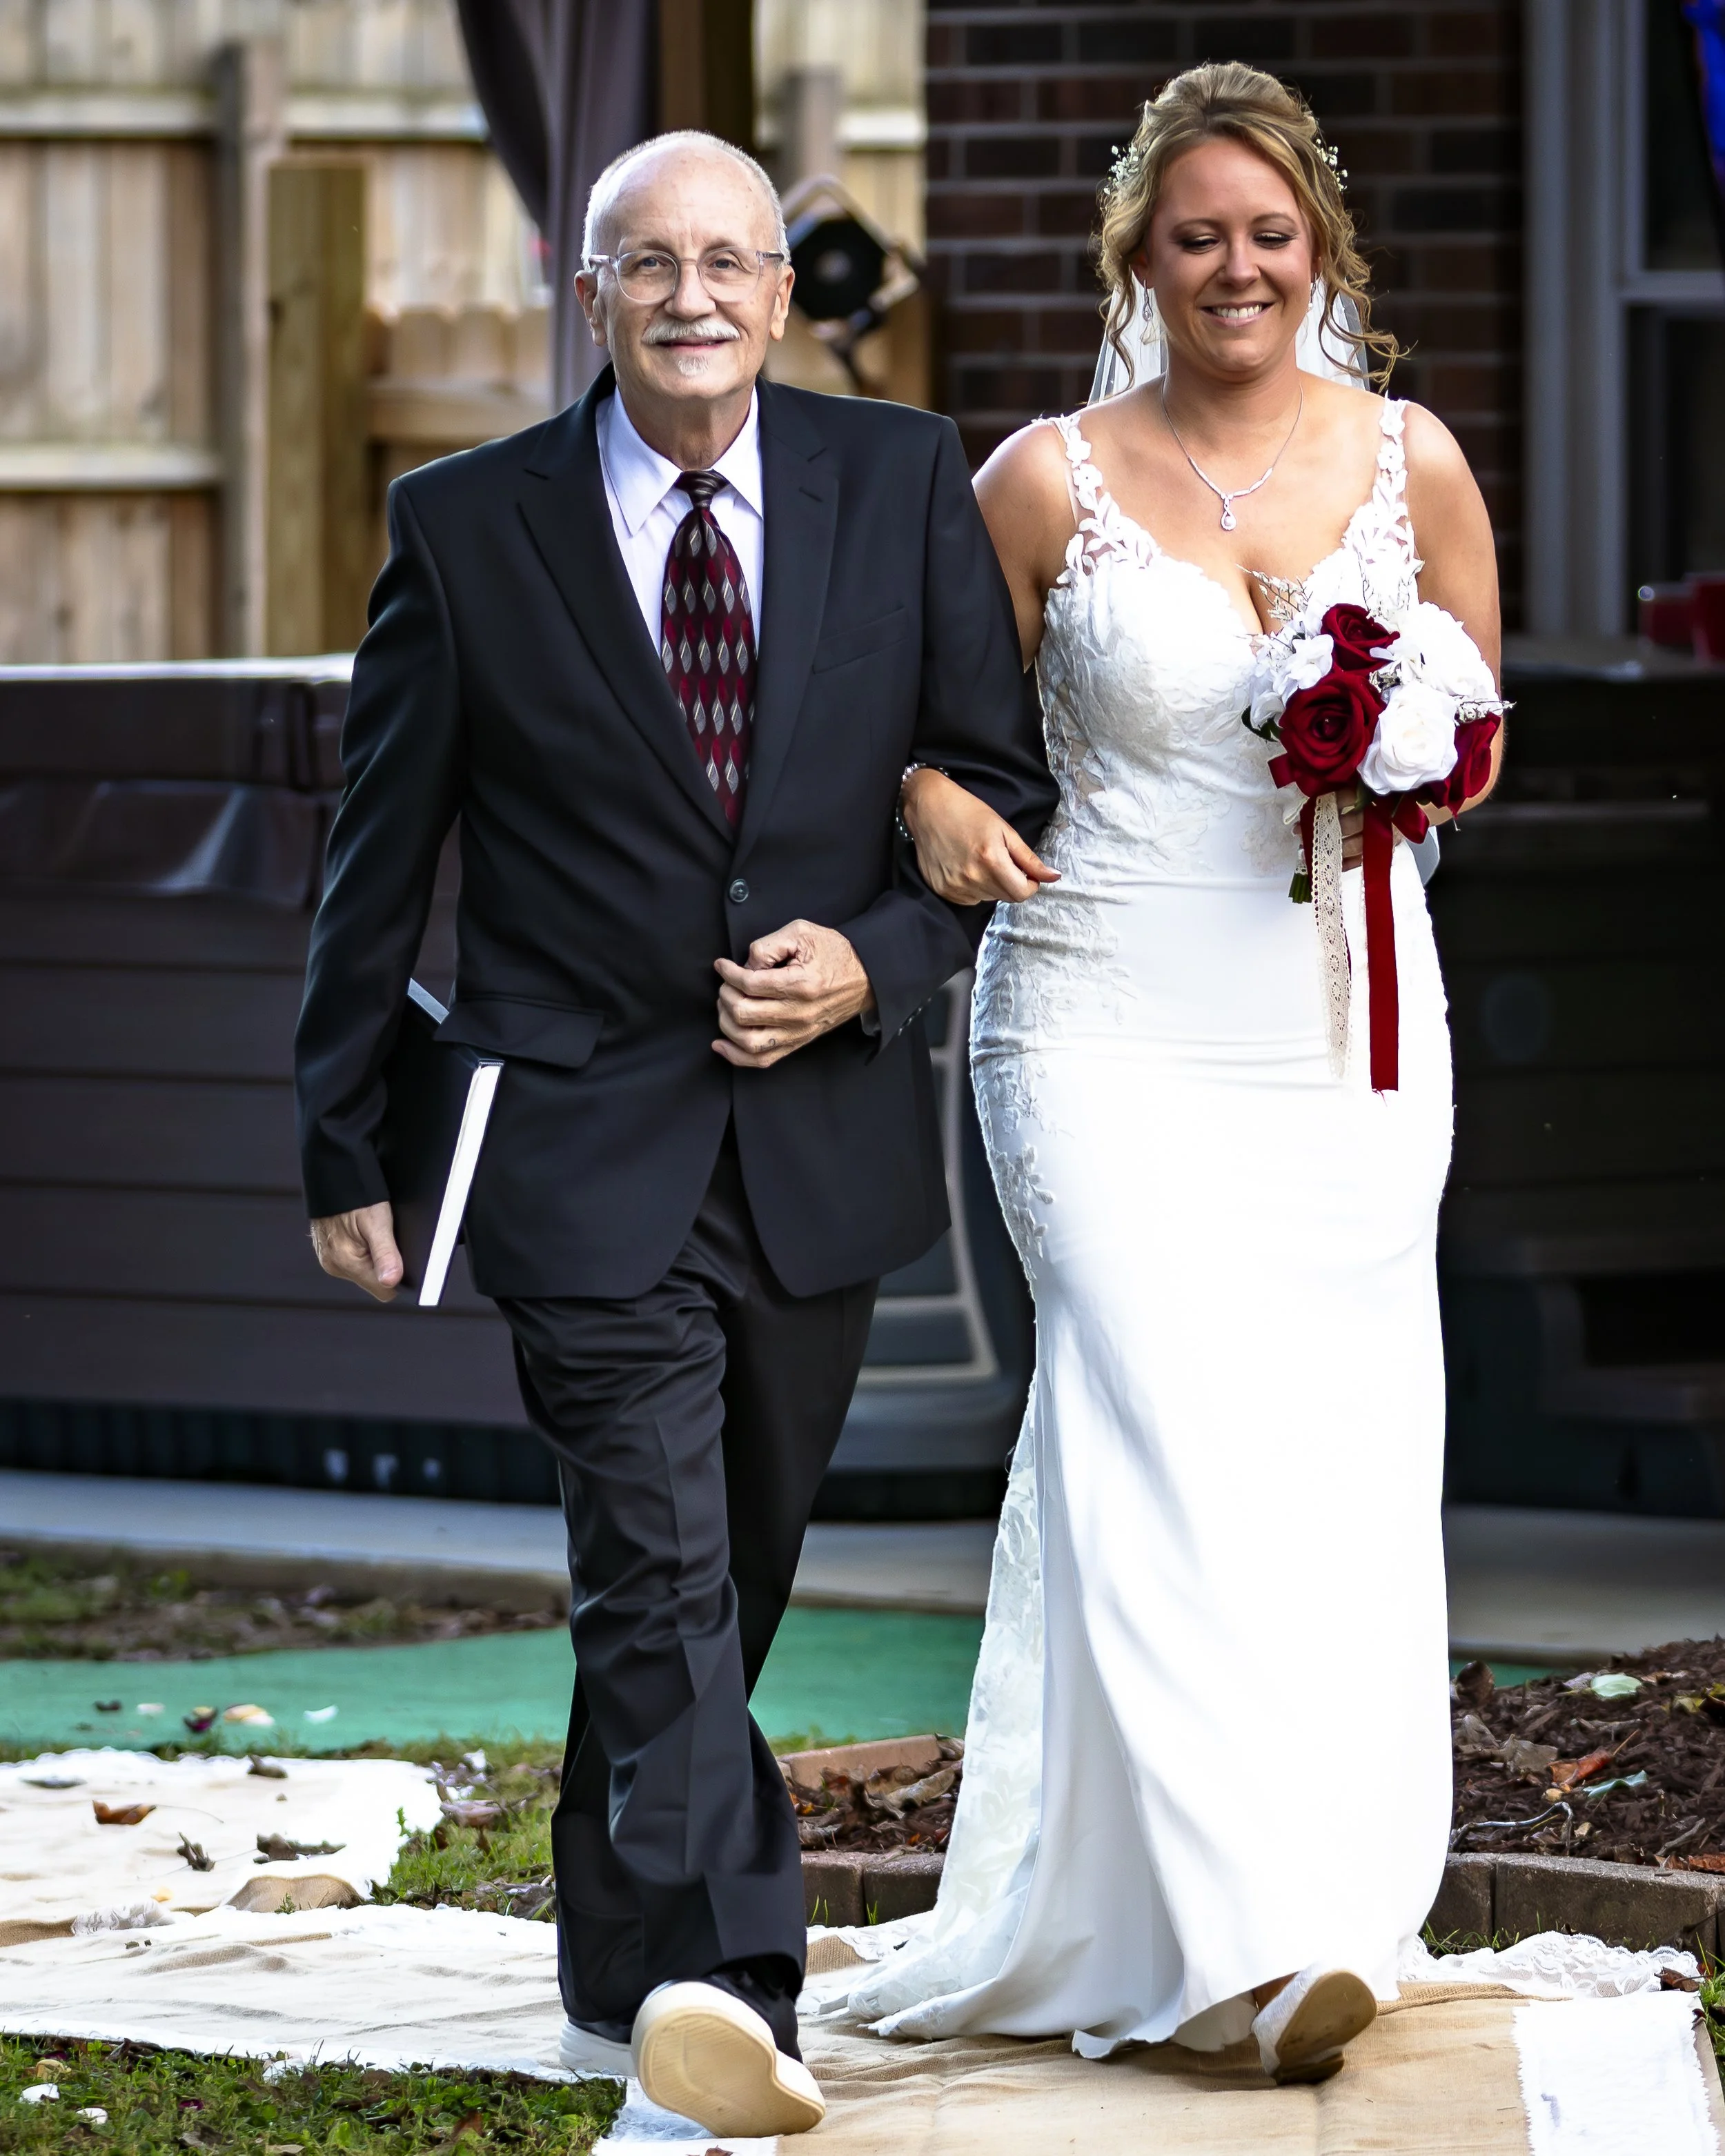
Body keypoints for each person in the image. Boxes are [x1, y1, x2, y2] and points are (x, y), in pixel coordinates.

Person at [293, 131, 1054, 2137]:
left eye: (731, 261)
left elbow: (992, 789)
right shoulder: (465, 528)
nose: (695, 295)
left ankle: (608, 1952)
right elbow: (378, 865)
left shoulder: (897, 485)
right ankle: (732, 1994)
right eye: (653, 264)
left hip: (814, 1142)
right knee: (654, 1575)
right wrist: (336, 1138)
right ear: (592, 294)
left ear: (781, 295)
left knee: (725, 1578)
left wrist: (873, 964)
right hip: (575, 1140)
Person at [837, 63, 1503, 2083]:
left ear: (1321, 252)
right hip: (1099, 1020)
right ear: (1139, 251)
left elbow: (1479, 712)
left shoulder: (1412, 459)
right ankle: (1224, 1939)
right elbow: (903, 720)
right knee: (1147, 1424)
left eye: (1268, 233)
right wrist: (932, 803)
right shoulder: (1041, 476)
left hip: (1340, 1031)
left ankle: (1305, 1902)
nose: (1235, 265)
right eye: (1196, 232)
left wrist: (1413, 742)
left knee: (1321, 1455)